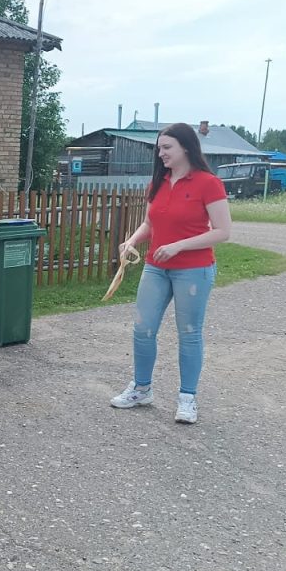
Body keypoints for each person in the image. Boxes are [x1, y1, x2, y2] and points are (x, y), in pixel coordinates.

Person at [110, 122, 232, 424]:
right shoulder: (158, 183)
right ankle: (141, 389)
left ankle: (187, 398)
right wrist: (133, 240)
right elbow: (150, 224)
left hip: (194, 270)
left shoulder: (208, 183)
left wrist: (179, 246)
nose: (160, 153)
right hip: (156, 267)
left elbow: (223, 232)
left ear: (186, 148)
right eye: (159, 148)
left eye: (167, 148)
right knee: (143, 329)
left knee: (189, 334)